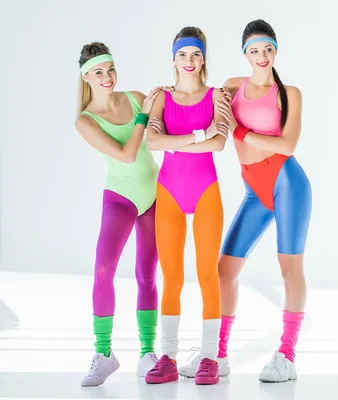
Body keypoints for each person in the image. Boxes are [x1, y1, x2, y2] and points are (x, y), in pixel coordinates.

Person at [214, 19, 312, 383]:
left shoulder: (290, 93)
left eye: (267, 49)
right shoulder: (231, 87)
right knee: (225, 270)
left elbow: (287, 145)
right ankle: (219, 354)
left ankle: (286, 355)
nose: (261, 56)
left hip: (288, 184)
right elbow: (201, 100)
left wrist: (242, 132)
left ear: (275, 51)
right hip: (254, 189)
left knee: (289, 268)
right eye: (253, 50)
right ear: (244, 54)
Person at [74, 42, 167, 386]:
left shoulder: (135, 96)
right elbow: (128, 155)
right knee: (103, 268)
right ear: (86, 77)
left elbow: (162, 133)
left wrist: (165, 98)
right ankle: (104, 353)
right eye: (99, 72)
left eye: (110, 69)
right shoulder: (85, 121)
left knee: (147, 274)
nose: (107, 76)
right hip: (121, 197)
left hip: (154, 194)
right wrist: (144, 113)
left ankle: (147, 352)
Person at [143, 26, 229, 386]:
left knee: (208, 275)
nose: (189, 61)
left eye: (195, 54)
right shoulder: (162, 97)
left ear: (203, 57)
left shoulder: (216, 95)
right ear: (173, 58)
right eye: (183, 54)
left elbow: (220, 145)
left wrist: (176, 143)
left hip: (205, 190)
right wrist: (199, 135)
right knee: (172, 277)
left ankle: (209, 357)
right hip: (170, 195)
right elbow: (151, 141)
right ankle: (168, 357)